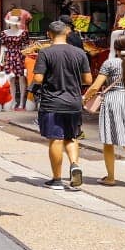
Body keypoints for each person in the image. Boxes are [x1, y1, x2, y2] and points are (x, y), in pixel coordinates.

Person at [83, 34, 125, 191]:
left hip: (113, 102)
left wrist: (85, 97)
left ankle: (110, 177)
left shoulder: (109, 63)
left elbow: (95, 86)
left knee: (109, 141)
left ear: (116, 48)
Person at [32, 20, 93, 191]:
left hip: (52, 102)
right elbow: (88, 80)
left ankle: (57, 179)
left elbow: (38, 78)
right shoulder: (80, 52)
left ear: (49, 34)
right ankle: (74, 164)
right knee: (71, 137)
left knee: (56, 139)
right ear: (67, 33)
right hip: (74, 102)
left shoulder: (45, 53)